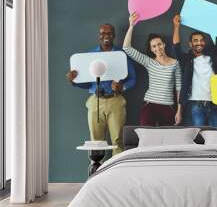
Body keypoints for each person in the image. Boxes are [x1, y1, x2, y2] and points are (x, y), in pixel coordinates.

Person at [66, 24, 136, 156]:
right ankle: (97, 170)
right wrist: (73, 81)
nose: (106, 36)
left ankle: (117, 172)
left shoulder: (121, 55)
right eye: (103, 33)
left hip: (115, 100)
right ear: (99, 36)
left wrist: (123, 87)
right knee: (95, 141)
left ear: (114, 36)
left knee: (117, 140)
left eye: (109, 33)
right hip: (95, 101)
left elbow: (133, 78)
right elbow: (86, 83)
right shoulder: (90, 56)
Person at [172, 12, 217, 126]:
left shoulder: (212, 53)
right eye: (195, 40)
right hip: (195, 105)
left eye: (201, 40)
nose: (199, 43)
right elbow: (176, 48)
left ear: (204, 42)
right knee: (198, 137)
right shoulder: (186, 59)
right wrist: (176, 26)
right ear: (190, 44)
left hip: (215, 103)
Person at [123, 12, 182, 126]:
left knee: (167, 141)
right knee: (146, 137)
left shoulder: (175, 63)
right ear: (151, 49)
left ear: (164, 45)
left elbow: (179, 89)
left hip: (167, 107)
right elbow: (126, 48)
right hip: (150, 106)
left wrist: (179, 111)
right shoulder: (149, 62)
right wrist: (131, 25)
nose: (157, 48)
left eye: (159, 44)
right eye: (154, 46)